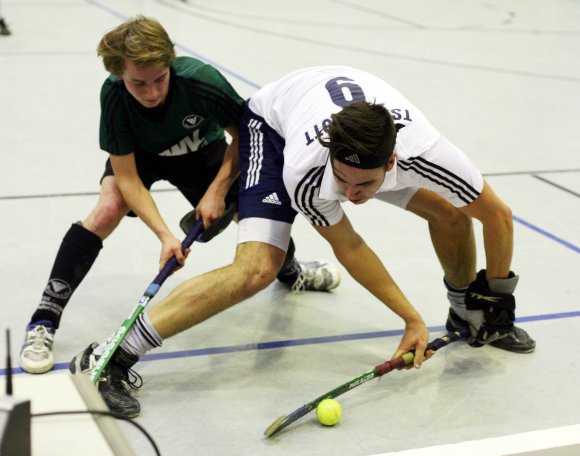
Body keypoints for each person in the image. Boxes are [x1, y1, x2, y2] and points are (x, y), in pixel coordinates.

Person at [71, 65, 535, 418]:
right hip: (274, 128)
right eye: (345, 181)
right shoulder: (310, 172)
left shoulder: (427, 151)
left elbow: (497, 216)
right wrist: (411, 318)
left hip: (343, 116)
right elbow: (350, 248)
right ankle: (112, 354)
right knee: (257, 269)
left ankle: (469, 315)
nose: (353, 196)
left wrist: (494, 297)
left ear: (392, 161)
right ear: (331, 159)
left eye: (366, 185)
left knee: (452, 213)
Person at [20, 17, 340, 375]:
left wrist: (218, 190)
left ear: (170, 63)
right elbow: (126, 178)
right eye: (138, 83)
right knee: (107, 209)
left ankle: (291, 271)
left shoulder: (200, 81)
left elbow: (246, 137)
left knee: (259, 218)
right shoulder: (113, 96)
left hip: (203, 156)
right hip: (142, 158)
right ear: (119, 75)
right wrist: (165, 236)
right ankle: (43, 320)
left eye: (160, 78)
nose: (152, 92)